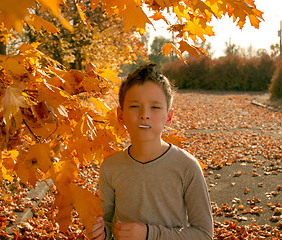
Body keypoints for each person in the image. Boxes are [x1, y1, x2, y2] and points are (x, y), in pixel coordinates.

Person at [86, 63, 213, 240]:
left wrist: (149, 234)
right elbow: (107, 224)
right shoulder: (110, 168)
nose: (144, 114)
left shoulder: (187, 167)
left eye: (155, 107)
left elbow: (204, 234)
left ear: (168, 117)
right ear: (120, 116)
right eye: (134, 106)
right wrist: (101, 233)